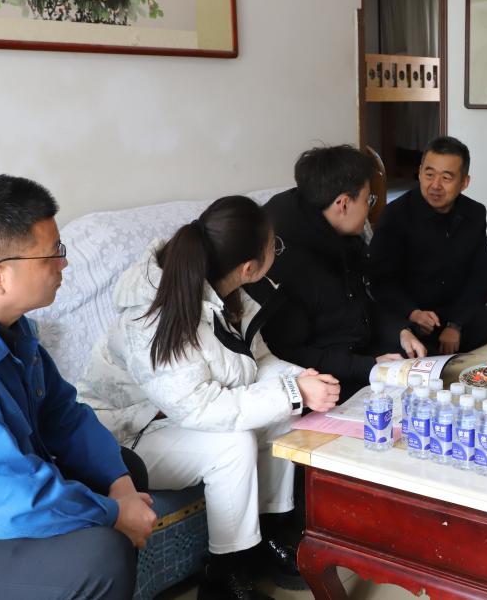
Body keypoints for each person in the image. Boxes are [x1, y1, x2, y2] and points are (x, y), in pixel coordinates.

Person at [76, 195, 340, 600]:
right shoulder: (154, 316)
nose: (278, 250)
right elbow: (198, 407)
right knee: (234, 446)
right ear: (248, 266)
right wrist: (292, 392)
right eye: (275, 245)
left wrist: (298, 381)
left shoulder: (228, 291)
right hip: (126, 433)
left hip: (174, 415)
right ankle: (223, 579)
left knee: (283, 412)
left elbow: (257, 360)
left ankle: (269, 535)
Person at [0, 175, 156, 600]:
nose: (64, 264)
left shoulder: (6, 324)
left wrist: (119, 486)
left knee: (125, 468)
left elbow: (62, 413)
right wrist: (114, 514)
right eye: (52, 254)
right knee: (102, 556)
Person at [254, 145, 426, 401]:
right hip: (321, 376)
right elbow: (287, 352)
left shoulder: (335, 229)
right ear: (343, 204)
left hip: (357, 349)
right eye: (367, 200)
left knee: (425, 365)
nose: (368, 209)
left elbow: (362, 298)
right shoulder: (284, 259)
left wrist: (399, 330)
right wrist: (368, 366)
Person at [369, 136, 487, 355]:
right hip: (410, 318)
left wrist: (456, 324)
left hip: (454, 315)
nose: (435, 185)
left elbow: (481, 275)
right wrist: (413, 313)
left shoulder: (474, 213)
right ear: (419, 173)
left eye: (446, 178)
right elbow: (381, 281)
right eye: (429, 175)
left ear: (464, 182)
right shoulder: (396, 215)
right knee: (412, 353)